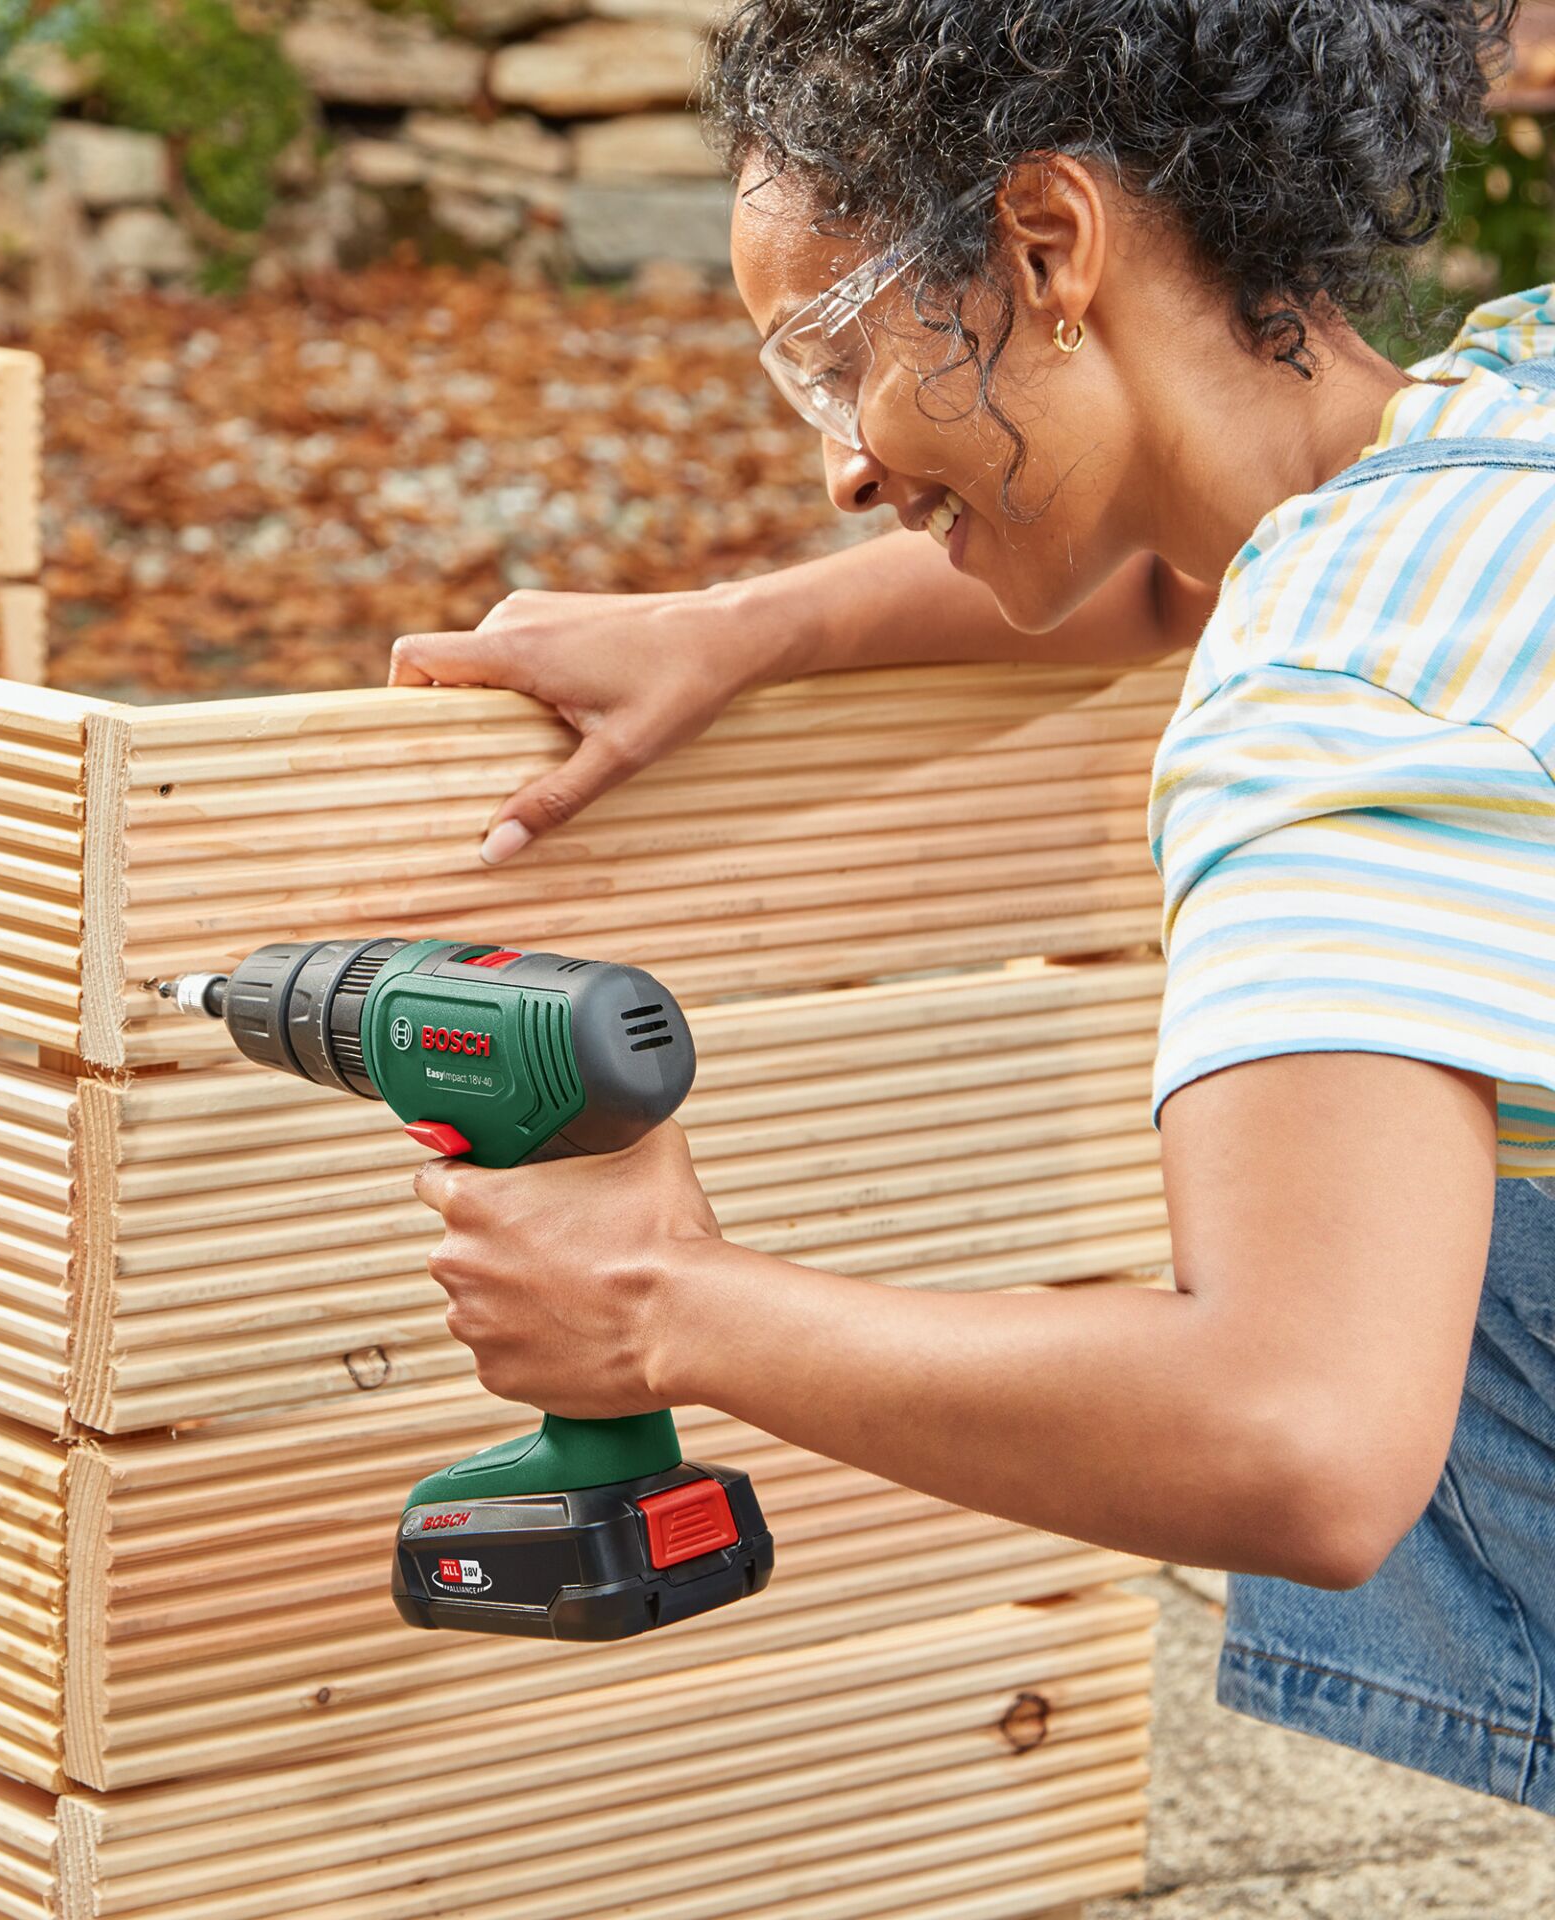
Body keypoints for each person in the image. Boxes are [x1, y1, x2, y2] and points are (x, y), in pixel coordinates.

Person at [394, 0, 1555, 1811]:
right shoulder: (1503, 409)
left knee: (1381, 1273)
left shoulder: (1337, 697)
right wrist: (741, 628)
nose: (840, 466)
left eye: (837, 359)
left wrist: (665, 1304)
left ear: (1049, 244)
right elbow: (1193, 567)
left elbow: (1303, 1433)